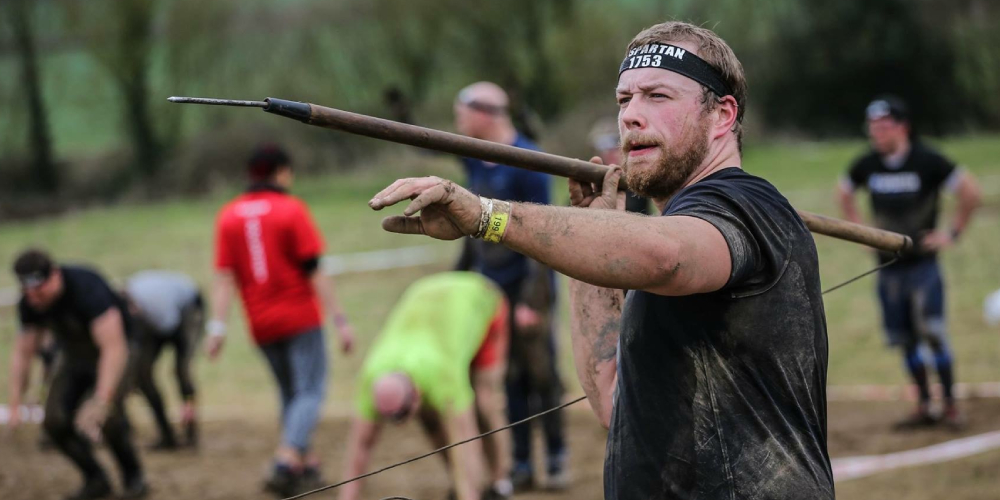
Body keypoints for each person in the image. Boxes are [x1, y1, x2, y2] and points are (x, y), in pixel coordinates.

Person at [369, 21, 835, 499]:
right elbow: (615, 403)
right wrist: (590, 229)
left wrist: (486, 216)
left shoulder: (745, 205)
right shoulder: (662, 231)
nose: (631, 115)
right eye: (624, 99)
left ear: (721, 115)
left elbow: (668, 257)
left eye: (657, 96)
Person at [207, 144, 356, 497]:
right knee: (310, 391)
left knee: (290, 394)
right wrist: (340, 319)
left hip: (260, 322)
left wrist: (217, 326)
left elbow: (224, 277)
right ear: (280, 172)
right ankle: (286, 458)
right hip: (300, 317)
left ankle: (307, 463)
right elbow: (314, 270)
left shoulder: (228, 215)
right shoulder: (291, 209)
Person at [837, 96, 982, 427]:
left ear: (902, 127)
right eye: (872, 127)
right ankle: (924, 406)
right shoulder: (867, 164)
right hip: (888, 268)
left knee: (932, 333)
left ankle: (949, 407)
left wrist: (951, 234)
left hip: (923, 266)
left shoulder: (927, 160)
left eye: (883, 127)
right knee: (905, 339)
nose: (875, 134)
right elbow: (844, 193)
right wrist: (861, 231)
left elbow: (970, 192)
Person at [452, 81, 568, 490]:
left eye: (462, 111)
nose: (458, 121)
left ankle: (556, 457)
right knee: (506, 379)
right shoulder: (475, 160)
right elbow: (473, 229)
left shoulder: (527, 160)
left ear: (486, 113)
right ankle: (520, 461)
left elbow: (545, 235)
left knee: (541, 374)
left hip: (528, 290)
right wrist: (460, 281)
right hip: (490, 292)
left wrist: (530, 301)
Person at [339, 272, 511, 500]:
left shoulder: (442, 374)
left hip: (481, 299)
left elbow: (466, 440)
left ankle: (500, 482)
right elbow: (360, 448)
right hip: (428, 299)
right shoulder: (372, 377)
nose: (401, 425)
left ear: (416, 393)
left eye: (403, 415)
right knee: (430, 417)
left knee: (484, 403)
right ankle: (462, 484)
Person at [7, 249, 147, 500]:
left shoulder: (86, 287)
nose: (36, 299)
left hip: (120, 350)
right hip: (74, 356)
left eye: (40, 291)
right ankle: (95, 479)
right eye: (29, 293)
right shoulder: (31, 302)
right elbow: (23, 354)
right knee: (54, 421)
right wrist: (15, 402)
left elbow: (113, 347)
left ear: (55, 275)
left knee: (107, 419)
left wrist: (102, 399)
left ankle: (134, 478)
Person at [124, 270, 204, 450]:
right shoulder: (127, 306)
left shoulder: (157, 305)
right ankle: (167, 435)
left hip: (187, 310)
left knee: (181, 372)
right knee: (142, 374)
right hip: (157, 318)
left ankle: (190, 429)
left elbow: (171, 330)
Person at [590, 117, 650, 214]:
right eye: (604, 147)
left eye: (615, 145)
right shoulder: (593, 182)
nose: (610, 153)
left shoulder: (640, 178)